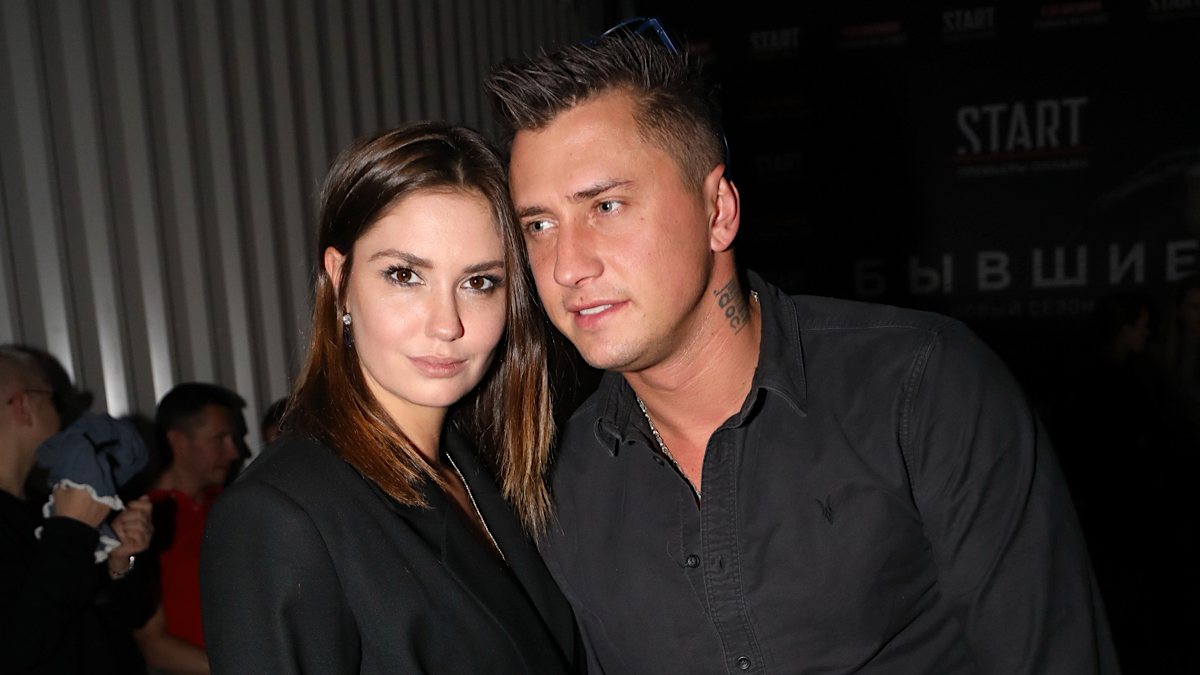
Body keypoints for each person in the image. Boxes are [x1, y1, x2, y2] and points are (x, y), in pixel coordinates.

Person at [485, 22, 1118, 675]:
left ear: (718, 211)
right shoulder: (560, 482)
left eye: (606, 207)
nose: (566, 266)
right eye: (540, 224)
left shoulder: (921, 387)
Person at [199, 122, 581, 674]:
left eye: (479, 282)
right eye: (404, 275)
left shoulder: (479, 469)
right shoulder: (278, 517)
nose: (447, 324)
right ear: (340, 280)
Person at [0, 345, 154, 674]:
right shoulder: (62, 517)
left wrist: (119, 560)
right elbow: (17, 647)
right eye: (56, 400)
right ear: (23, 406)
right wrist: (71, 532)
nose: (64, 415)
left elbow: (127, 616)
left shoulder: (46, 503)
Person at [134, 383, 245, 675]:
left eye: (233, 438)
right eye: (220, 439)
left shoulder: (234, 505)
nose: (235, 452)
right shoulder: (141, 519)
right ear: (178, 442)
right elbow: (153, 646)